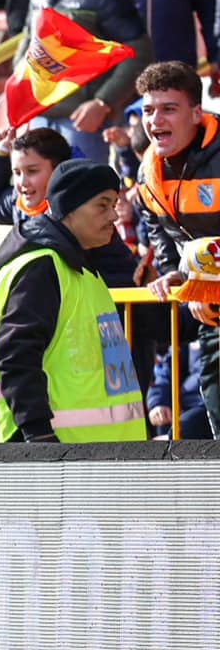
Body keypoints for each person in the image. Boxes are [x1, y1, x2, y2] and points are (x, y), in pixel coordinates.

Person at [0, 161, 147, 443]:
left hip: (86, 453)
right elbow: (15, 356)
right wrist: (38, 435)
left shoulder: (80, 267)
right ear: (69, 208)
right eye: (102, 205)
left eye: (114, 205)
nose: (113, 216)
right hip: (50, 451)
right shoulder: (42, 267)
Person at [20, 0, 149, 163]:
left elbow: (139, 52)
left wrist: (103, 102)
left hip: (83, 123)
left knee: (83, 188)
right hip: (39, 117)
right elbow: (26, 47)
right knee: (38, 189)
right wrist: (20, 94)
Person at [136, 61, 220, 428]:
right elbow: (161, 235)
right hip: (210, 313)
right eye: (148, 110)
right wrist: (175, 274)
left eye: (168, 109)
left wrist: (206, 281)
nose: (155, 121)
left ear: (197, 113)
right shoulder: (148, 171)